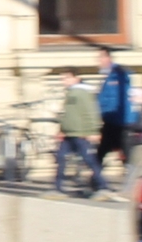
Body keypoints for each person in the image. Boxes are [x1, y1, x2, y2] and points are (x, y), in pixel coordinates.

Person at [55, 69, 104, 196]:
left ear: (76, 78)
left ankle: (103, 186)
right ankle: (57, 187)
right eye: (62, 79)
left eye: (66, 78)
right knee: (60, 158)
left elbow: (91, 112)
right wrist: (61, 130)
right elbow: (69, 115)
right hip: (68, 133)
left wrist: (93, 131)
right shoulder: (71, 93)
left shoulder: (82, 92)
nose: (63, 81)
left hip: (81, 133)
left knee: (89, 160)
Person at [94, 47, 134, 189]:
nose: (98, 61)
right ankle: (97, 183)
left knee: (106, 153)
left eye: (100, 58)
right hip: (113, 120)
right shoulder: (111, 75)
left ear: (107, 58)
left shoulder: (118, 74)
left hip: (117, 122)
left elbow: (117, 100)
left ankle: (97, 183)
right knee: (110, 153)